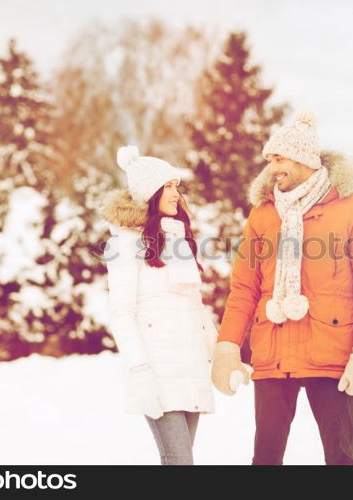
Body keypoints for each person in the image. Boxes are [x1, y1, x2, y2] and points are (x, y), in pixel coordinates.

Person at [211, 110, 353, 465]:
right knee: (265, 459)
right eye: (270, 159)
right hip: (273, 353)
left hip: (330, 352)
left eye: (280, 158)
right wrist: (227, 347)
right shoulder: (262, 214)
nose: (272, 167)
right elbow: (244, 288)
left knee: (340, 458)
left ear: (305, 159)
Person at [100, 145, 217, 465]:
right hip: (157, 370)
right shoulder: (124, 243)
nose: (176, 193)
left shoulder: (179, 238)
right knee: (179, 461)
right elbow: (121, 313)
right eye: (168, 186)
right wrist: (140, 372)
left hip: (190, 366)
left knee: (179, 462)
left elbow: (195, 309)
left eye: (177, 185)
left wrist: (220, 354)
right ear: (149, 192)